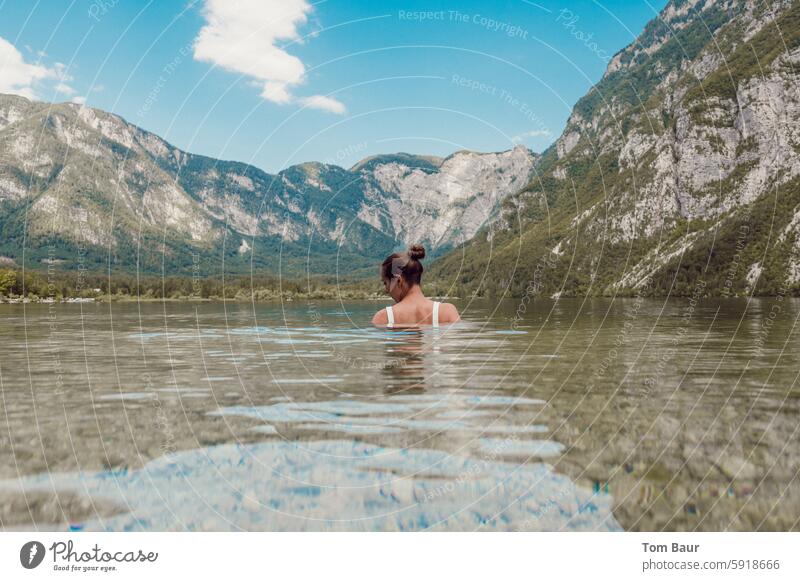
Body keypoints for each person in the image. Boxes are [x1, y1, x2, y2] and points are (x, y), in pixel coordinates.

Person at [371, 244, 460, 327]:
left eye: (386, 283)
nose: (386, 290)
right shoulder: (447, 312)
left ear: (399, 281)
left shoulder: (383, 318)